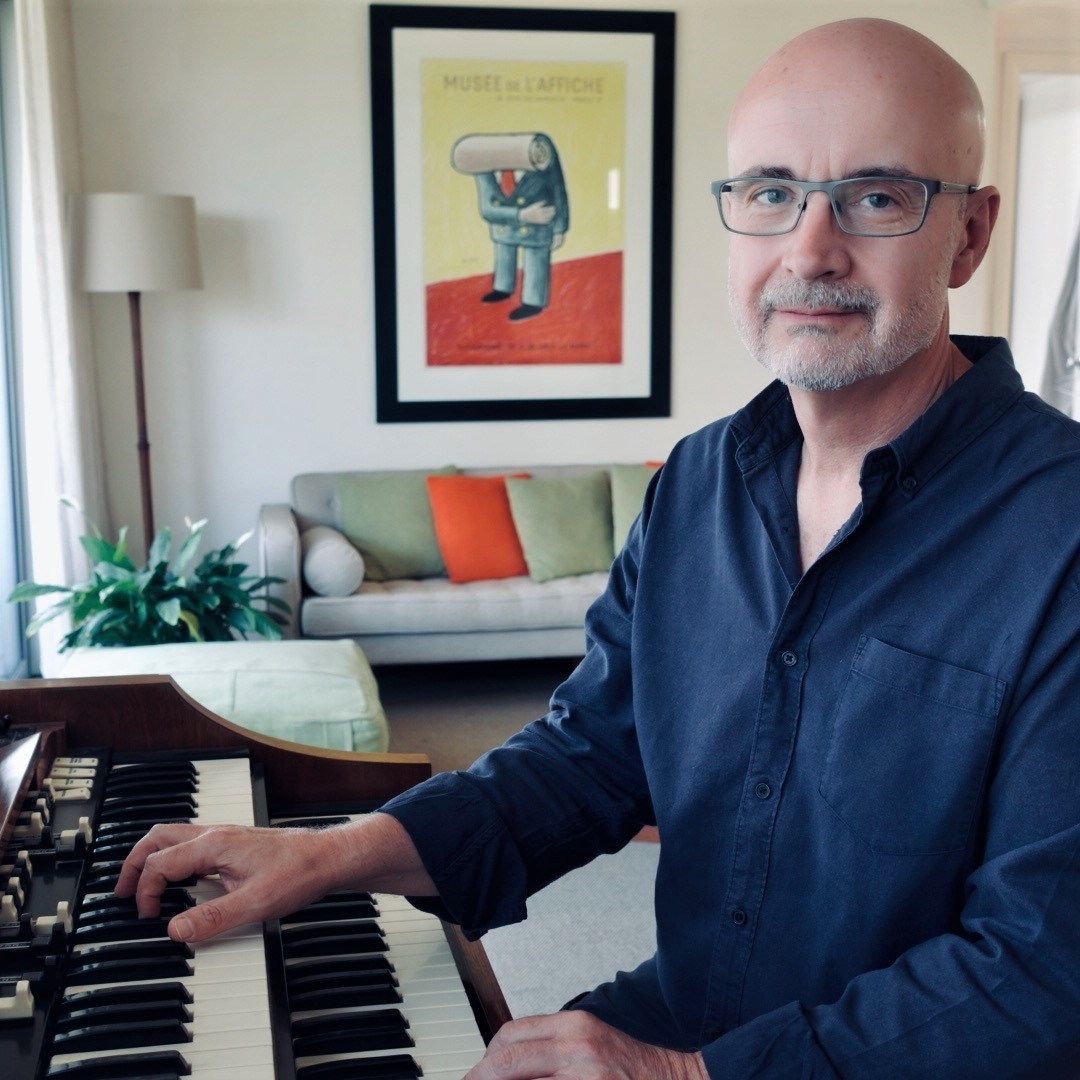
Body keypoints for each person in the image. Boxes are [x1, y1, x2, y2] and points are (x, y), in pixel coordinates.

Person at [117, 18, 1080, 1078]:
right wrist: (336, 852)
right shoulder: (701, 484)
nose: (810, 250)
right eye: (769, 193)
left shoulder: (1061, 532)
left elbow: (1043, 975)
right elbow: (587, 758)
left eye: (877, 196)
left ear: (972, 233)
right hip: (687, 1014)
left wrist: (679, 1075)